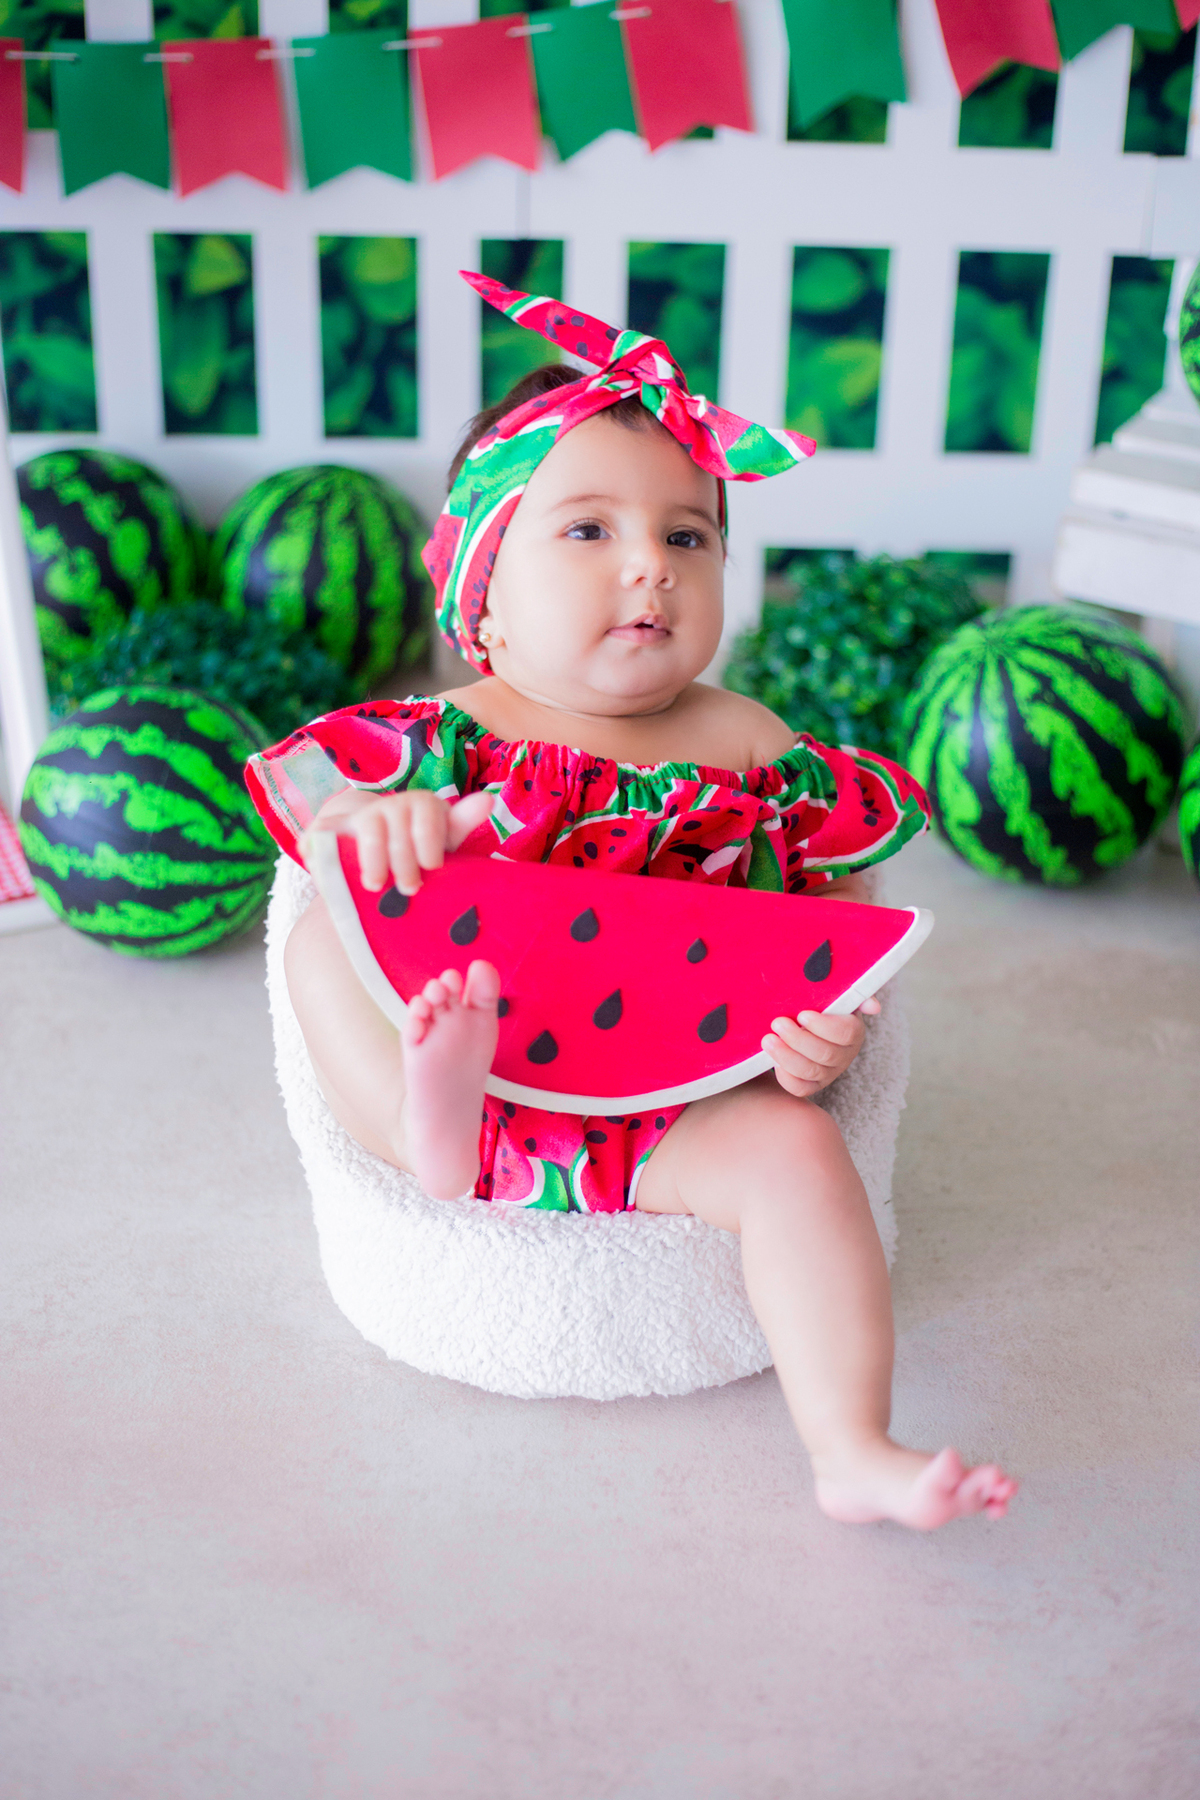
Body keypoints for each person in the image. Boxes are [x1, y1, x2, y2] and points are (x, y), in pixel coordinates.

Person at [247, 273, 1018, 1532]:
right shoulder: (450, 734)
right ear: (482, 596)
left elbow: (839, 902)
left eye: (688, 536)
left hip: (676, 1108)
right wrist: (377, 826)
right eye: (590, 531)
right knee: (327, 934)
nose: (650, 569)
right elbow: (329, 821)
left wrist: (830, 1033)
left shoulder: (754, 742)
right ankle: (426, 1125)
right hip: (479, 1059)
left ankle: (852, 1444)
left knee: (800, 1156)